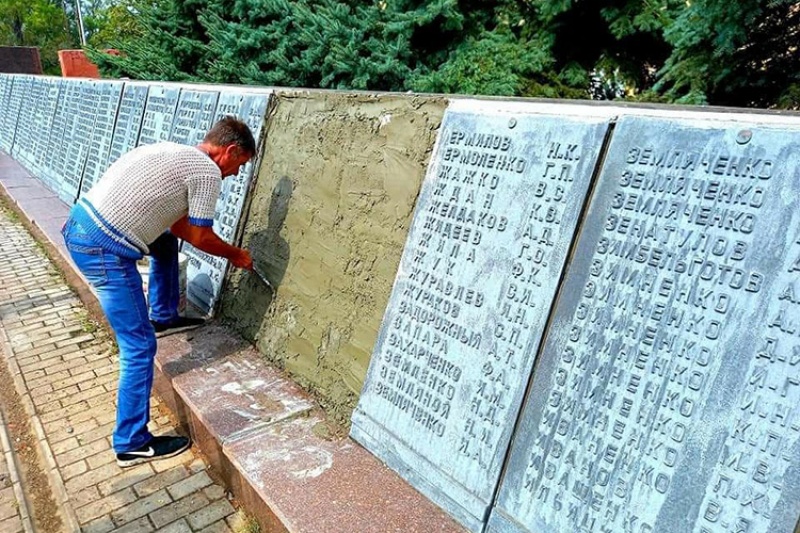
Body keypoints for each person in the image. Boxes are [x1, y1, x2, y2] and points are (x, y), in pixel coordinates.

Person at [61, 117, 255, 467]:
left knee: (165, 244)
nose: (234, 175)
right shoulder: (206, 172)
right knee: (138, 346)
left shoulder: (175, 151)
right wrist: (236, 255)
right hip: (104, 249)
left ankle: (163, 315)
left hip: (81, 225)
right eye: (239, 166)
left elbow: (179, 226)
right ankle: (131, 442)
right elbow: (199, 236)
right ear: (228, 151)